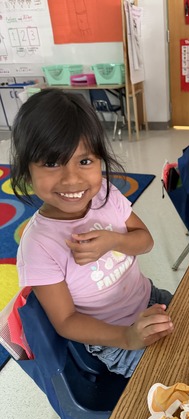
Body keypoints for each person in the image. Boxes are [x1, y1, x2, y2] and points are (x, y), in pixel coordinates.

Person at [10, 88, 174, 378]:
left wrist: (116, 240)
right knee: (180, 377)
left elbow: (145, 241)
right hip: (113, 336)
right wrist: (127, 337)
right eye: (51, 162)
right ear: (26, 172)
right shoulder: (39, 245)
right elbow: (66, 321)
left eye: (85, 161)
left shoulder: (107, 198)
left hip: (149, 298)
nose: (71, 179)